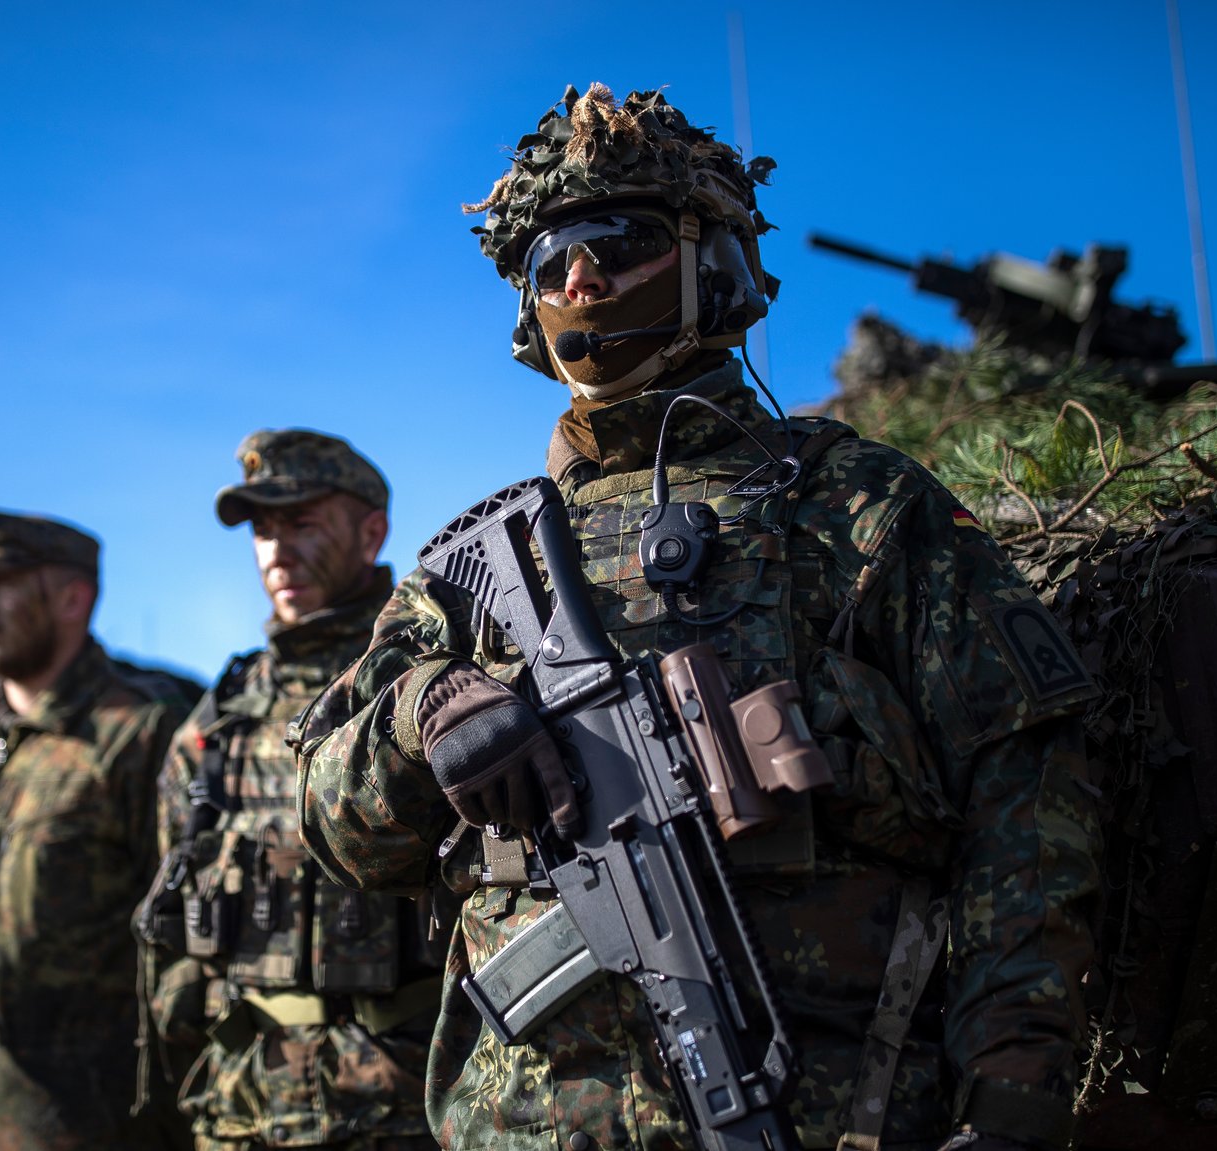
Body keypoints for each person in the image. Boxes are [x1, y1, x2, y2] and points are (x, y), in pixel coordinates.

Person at [295, 85, 1102, 1151]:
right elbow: (332, 824)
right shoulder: (466, 573)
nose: (577, 277)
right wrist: (422, 705)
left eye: (615, 239)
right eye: (548, 261)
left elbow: (1031, 799)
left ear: (707, 259)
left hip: (826, 1112)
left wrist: (1013, 1090)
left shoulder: (856, 507)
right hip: (524, 1122)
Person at [136, 429, 441, 1151]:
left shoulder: (424, 690)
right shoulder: (219, 724)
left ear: (373, 532)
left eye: (302, 522)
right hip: (245, 1114)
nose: (276, 550)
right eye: (263, 530)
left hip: (407, 1109)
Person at [0, 510, 189, 1150]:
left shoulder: (139, 737)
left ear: (73, 597)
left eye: (2, 583)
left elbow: (184, 947)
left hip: (88, 1124)